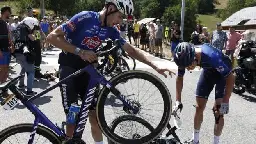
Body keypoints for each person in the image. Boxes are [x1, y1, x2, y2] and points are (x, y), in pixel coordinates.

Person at [46, 0, 174, 143]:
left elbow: (130, 49)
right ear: (110, 9)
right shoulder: (85, 17)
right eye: (119, 16)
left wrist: (155, 65)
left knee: (95, 117)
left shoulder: (112, 30)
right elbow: (51, 37)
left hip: (89, 70)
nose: (120, 21)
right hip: (69, 67)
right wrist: (80, 51)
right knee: (72, 119)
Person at [173, 42, 235, 144]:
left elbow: (231, 77)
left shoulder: (211, 56)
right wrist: (178, 100)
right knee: (199, 107)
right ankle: (195, 140)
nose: (187, 69)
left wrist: (226, 100)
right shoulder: (183, 58)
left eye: (188, 65)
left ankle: (216, 142)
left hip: (223, 75)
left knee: (218, 111)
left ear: (194, 56)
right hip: (208, 71)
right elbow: (179, 78)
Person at [13, 17, 39, 95]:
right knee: (31, 71)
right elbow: (33, 38)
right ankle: (29, 91)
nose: (33, 28)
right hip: (25, 52)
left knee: (23, 68)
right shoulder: (25, 28)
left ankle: (21, 85)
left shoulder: (18, 27)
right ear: (30, 23)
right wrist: (35, 37)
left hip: (17, 52)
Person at [0, 6, 13, 97]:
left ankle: (4, 89)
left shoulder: (5, 23)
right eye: (9, 12)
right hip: (1, 49)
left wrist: (11, 44)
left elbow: (8, 35)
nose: (10, 14)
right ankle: (2, 89)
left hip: (7, 49)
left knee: (6, 69)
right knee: (2, 69)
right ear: (5, 12)